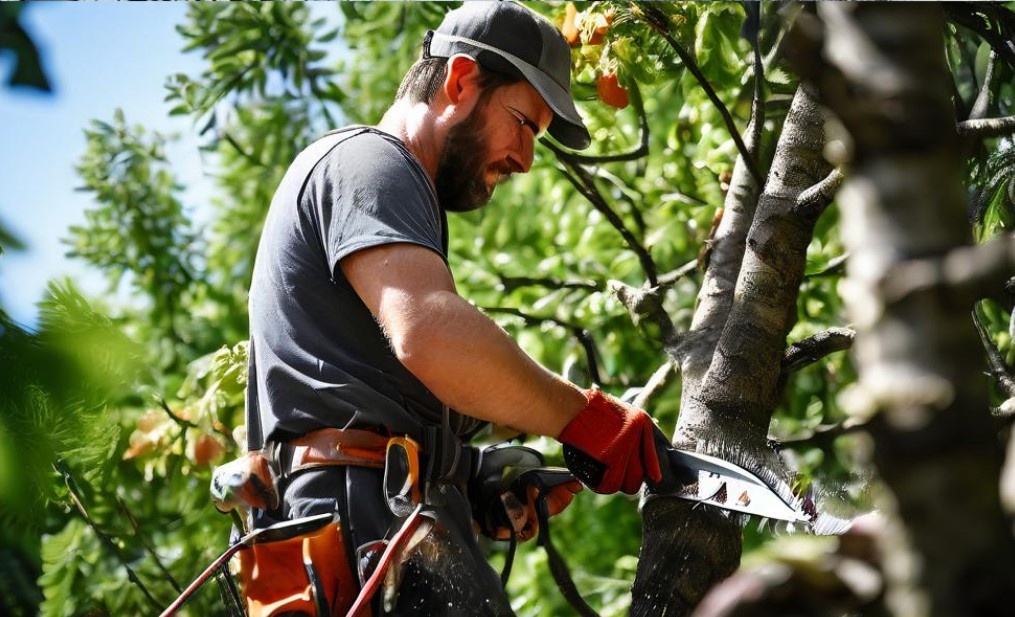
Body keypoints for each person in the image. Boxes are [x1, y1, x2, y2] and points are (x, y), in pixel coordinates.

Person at [243, 2, 663, 615]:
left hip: (369, 516)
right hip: (359, 521)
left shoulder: (392, 199)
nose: (525, 159)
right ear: (461, 81)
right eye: (523, 123)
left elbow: (379, 391)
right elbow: (431, 335)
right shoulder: (370, 162)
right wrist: (585, 419)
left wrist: (473, 476)